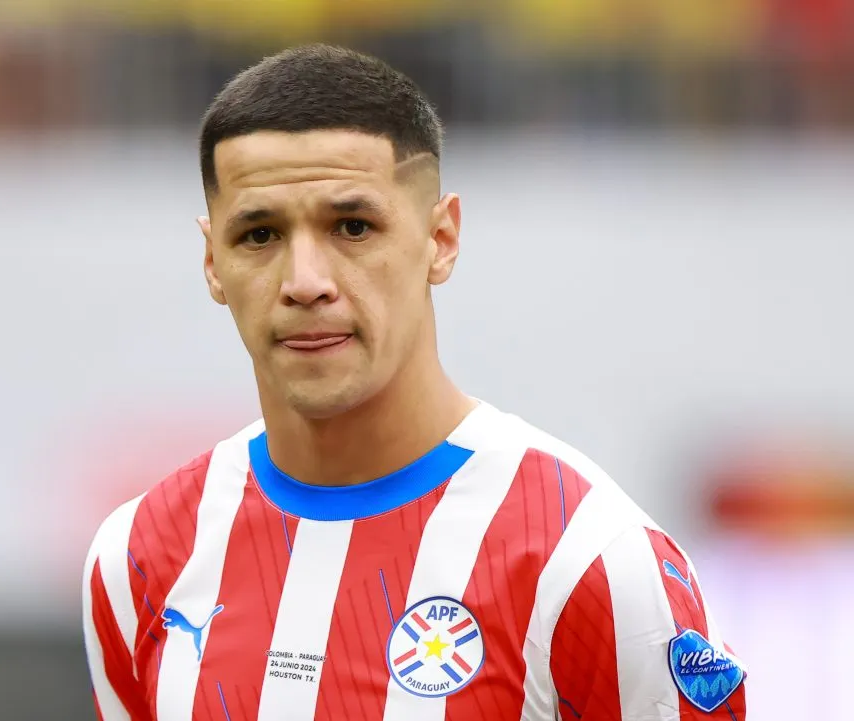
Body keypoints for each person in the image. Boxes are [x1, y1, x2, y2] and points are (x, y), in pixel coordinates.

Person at [82, 45, 747, 721]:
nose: (305, 282)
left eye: (353, 227)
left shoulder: (587, 559)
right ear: (211, 261)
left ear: (441, 239)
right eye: (259, 234)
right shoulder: (136, 556)